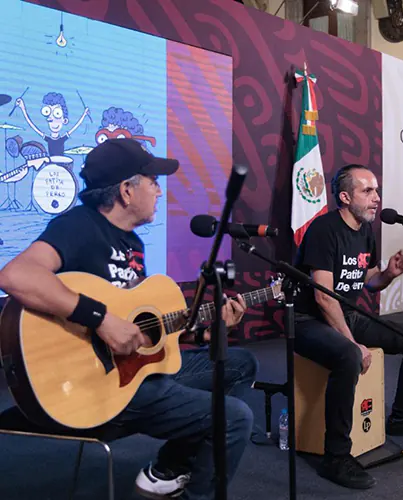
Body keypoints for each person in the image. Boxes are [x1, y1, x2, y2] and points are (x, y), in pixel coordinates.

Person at [0, 138, 258, 499]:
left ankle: (168, 468)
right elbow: (16, 276)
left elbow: (144, 335)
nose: (159, 191)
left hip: (134, 375)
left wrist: (204, 333)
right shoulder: (79, 226)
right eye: (153, 181)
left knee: (241, 363)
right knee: (235, 417)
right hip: (94, 386)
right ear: (126, 190)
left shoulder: (132, 245)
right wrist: (100, 318)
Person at [293, 164, 403, 490]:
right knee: (348, 356)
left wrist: (387, 274)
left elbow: (368, 281)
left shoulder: (364, 230)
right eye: (367, 191)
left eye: (376, 190)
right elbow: (323, 296)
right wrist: (353, 343)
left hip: (346, 314)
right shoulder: (324, 230)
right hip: (308, 322)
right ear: (345, 197)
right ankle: (335, 456)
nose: (376, 198)